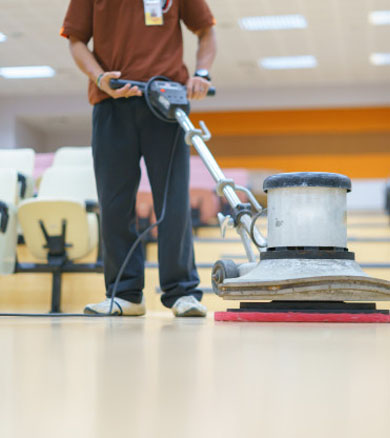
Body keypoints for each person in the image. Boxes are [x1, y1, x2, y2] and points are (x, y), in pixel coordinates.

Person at [60, 0, 217, 316]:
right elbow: (76, 39)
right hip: (111, 101)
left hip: (166, 101)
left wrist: (202, 73)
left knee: (172, 201)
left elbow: (206, 29)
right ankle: (125, 294)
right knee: (115, 202)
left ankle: (182, 293)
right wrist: (99, 77)